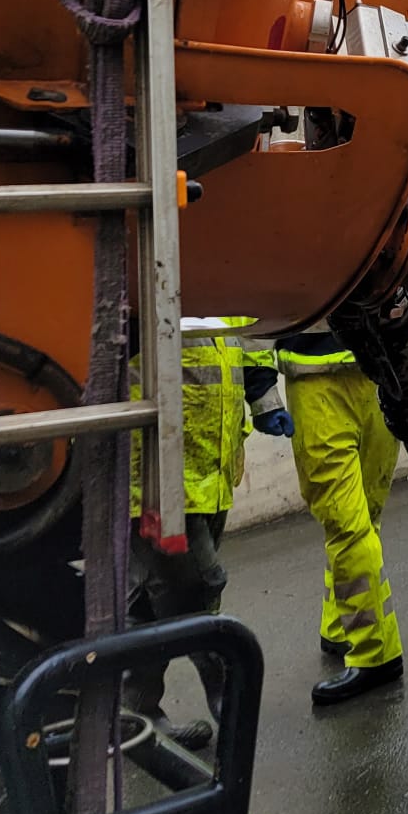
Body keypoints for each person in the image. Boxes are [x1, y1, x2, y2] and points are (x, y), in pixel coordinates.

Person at [127, 316, 284, 747]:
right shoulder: (137, 281)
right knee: (199, 585)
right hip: (154, 473)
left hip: (212, 465)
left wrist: (264, 401)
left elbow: (247, 339)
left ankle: (134, 712)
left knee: (148, 598)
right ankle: (226, 692)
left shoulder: (218, 280)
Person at [267, 310, 408, 705]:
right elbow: (261, 298)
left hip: (382, 378)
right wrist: (260, 389)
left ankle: (341, 627)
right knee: (347, 524)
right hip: (317, 383)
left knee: (364, 518)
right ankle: (375, 652)